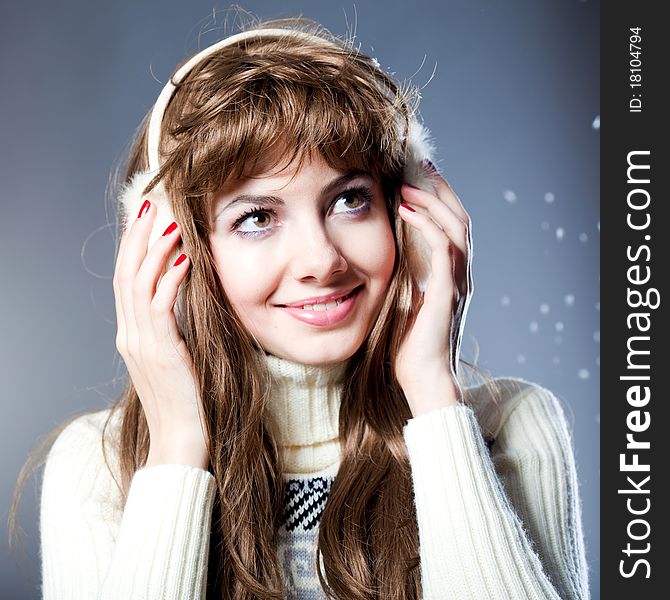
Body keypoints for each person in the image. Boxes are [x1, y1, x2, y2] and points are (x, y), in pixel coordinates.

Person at [35, 17, 589, 600]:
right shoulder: (97, 464)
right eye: (256, 218)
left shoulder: (514, 428)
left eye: (349, 200)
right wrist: (178, 449)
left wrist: (432, 394)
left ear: (408, 206)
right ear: (172, 248)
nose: (321, 261)